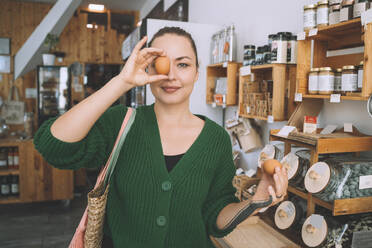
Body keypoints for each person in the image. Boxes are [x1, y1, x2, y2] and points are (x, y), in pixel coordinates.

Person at [34, 27, 288, 248]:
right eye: (161, 64)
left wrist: (255, 201)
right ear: (148, 69)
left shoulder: (216, 139)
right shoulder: (121, 122)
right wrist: (122, 82)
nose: (171, 76)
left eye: (183, 64)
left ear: (197, 73)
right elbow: (54, 147)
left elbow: (216, 219)